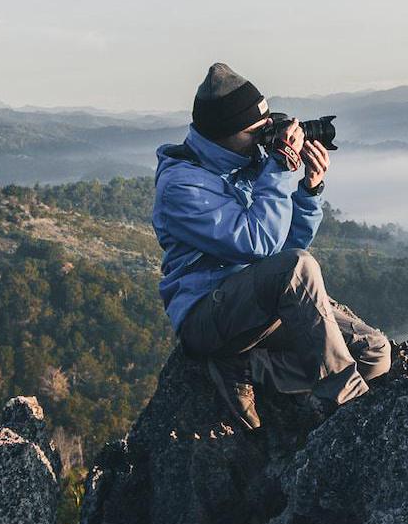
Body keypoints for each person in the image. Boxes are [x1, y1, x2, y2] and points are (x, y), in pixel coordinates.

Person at [151, 62, 391, 430]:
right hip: (208, 316)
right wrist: (278, 167)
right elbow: (260, 245)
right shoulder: (182, 186)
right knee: (300, 267)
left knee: (374, 353)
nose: (265, 139)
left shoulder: (248, 164)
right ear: (223, 134)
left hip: (258, 308)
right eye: (256, 132)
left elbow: (284, 249)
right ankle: (348, 408)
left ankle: (248, 367)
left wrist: (309, 191)